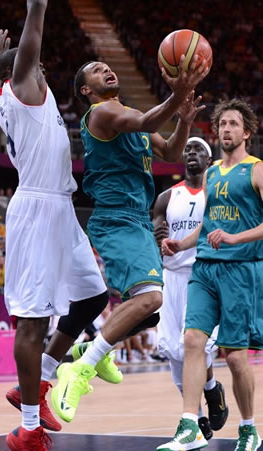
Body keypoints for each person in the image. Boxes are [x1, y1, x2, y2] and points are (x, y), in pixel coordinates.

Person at [0, 3, 111, 449]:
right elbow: (33, 31)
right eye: (28, 60)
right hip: (36, 209)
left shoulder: (5, 97)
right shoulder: (25, 88)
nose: (40, 63)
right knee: (32, 322)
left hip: (61, 208)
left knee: (93, 294)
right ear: (22, 70)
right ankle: (29, 428)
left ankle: (43, 379)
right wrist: (38, 7)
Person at [49, 57, 211, 423]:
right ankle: (80, 367)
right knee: (152, 296)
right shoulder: (101, 113)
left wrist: (183, 122)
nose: (106, 68)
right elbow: (146, 121)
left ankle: (96, 347)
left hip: (136, 219)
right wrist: (176, 94)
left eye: (107, 65)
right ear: (86, 90)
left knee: (149, 306)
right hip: (116, 216)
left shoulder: (128, 114)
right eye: (94, 68)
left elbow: (170, 151)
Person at [159, 98, 263, 451]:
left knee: (234, 355)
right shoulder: (213, 171)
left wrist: (235, 237)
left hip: (240, 269)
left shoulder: (257, 170)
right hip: (204, 268)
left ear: (247, 132)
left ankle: (249, 428)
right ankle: (190, 424)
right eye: (222, 125)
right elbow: (207, 224)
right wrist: (181, 244)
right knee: (192, 341)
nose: (226, 130)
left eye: (234, 124)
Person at [153, 137, 228, 441]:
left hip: (204, 275)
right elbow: (157, 230)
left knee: (196, 346)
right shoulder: (166, 197)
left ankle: (211, 390)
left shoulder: (217, 195)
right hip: (171, 277)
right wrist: (157, 236)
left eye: (199, 150)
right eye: (188, 150)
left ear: (209, 161)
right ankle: (196, 416)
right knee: (173, 351)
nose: (191, 153)